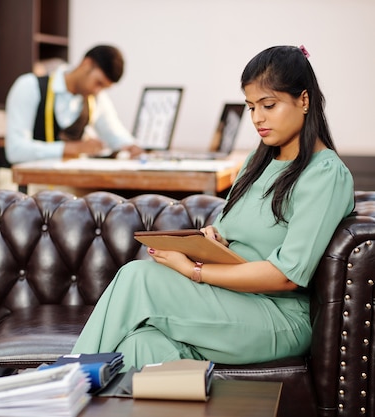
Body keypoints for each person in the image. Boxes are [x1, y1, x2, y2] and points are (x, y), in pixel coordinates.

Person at [71, 45, 355, 370]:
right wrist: (213, 239)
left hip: (278, 316)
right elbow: (230, 230)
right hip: (230, 302)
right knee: (140, 344)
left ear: (303, 100)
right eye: (251, 107)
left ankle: (59, 386)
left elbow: (286, 276)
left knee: (139, 277)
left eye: (269, 105)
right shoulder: (258, 161)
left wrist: (193, 270)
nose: (257, 118)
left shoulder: (324, 174)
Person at [4, 45, 143, 164]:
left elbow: (115, 135)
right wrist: (74, 148)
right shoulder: (29, 86)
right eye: (98, 83)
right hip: (28, 185)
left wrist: (133, 147)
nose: (97, 91)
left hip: (70, 186)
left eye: (103, 88)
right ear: (86, 64)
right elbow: (15, 150)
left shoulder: (96, 98)